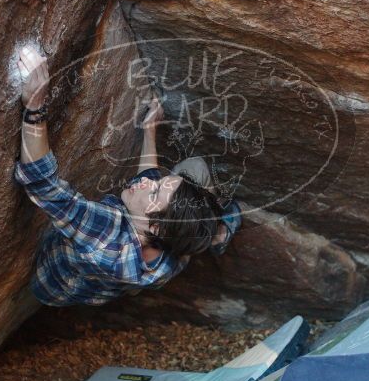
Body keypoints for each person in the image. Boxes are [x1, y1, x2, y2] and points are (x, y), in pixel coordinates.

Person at [14, 45, 241, 306]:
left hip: (53, 281)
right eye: (158, 183)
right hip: (103, 287)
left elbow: (43, 185)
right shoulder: (168, 253)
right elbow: (148, 183)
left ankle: (218, 230)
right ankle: (218, 234)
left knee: (194, 180)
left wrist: (35, 107)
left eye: (154, 190)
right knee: (196, 175)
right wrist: (149, 132)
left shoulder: (109, 232)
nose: (147, 182)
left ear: (155, 226)